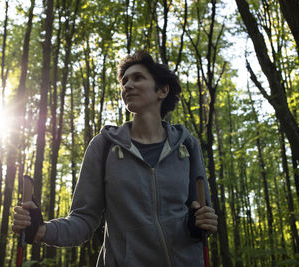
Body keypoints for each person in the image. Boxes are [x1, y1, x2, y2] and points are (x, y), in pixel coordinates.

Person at [12, 51, 218, 267]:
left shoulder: (186, 146)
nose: (127, 85)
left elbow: (202, 214)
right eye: (125, 81)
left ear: (163, 90)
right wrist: (42, 230)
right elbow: (83, 219)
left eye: (138, 78)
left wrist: (200, 225)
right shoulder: (104, 146)